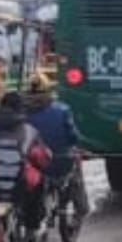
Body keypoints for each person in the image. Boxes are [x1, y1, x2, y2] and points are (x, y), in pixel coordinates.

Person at [0, 91, 50, 232]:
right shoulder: (29, 132)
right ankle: (32, 228)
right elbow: (41, 158)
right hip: (22, 185)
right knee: (39, 184)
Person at [25, 71, 89, 216]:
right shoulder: (62, 109)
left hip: (32, 163)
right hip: (60, 161)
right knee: (75, 170)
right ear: (48, 89)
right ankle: (80, 208)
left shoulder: (20, 111)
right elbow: (73, 136)